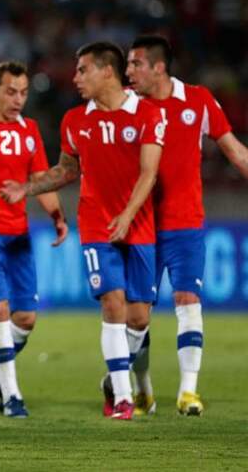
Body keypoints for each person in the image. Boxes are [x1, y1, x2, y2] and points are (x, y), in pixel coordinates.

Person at [1, 41, 164, 420]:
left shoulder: (148, 114)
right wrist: (28, 188)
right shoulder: (75, 120)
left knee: (139, 318)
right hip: (96, 226)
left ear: (108, 71)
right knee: (113, 304)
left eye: (82, 70)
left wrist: (127, 215)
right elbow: (67, 170)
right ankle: (123, 398)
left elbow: (149, 173)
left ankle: (114, 379)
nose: (74, 78)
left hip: (138, 225)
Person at [125, 35, 248, 416]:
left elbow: (234, 150)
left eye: (136, 64)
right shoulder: (128, 107)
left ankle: (188, 392)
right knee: (137, 314)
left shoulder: (198, 100)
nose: (128, 73)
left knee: (187, 301)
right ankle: (142, 389)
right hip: (141, 224)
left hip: (185, 222)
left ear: (159, 67)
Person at [0, 61, 68, 418]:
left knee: (25, 318)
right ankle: (12, 395)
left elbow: (40, 178)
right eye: (11, 91)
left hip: (19, 235)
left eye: (24, 93)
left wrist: (57, 215)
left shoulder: (29, 130)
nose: (18, 99)